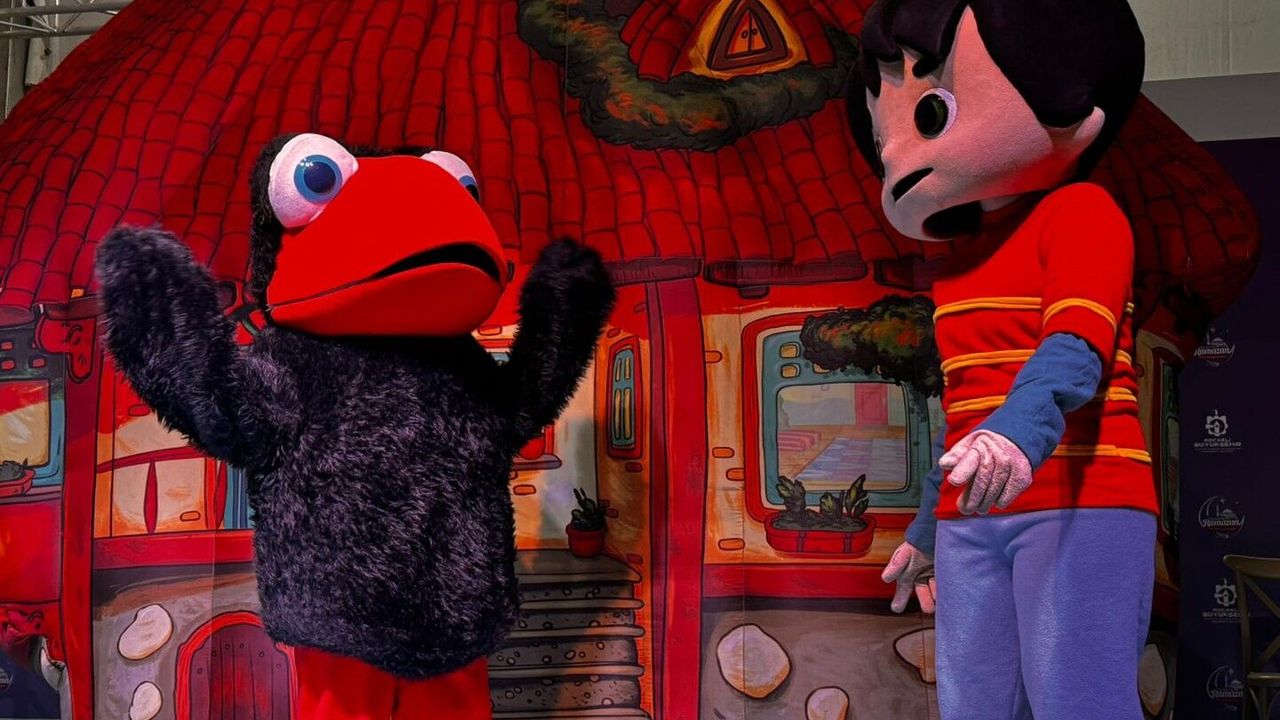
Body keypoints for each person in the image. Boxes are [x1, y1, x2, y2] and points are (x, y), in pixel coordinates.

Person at [848, 2, 1157, 718]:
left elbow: (1074, 349)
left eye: (929, 115)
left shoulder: (1081, 212)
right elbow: (967, 410)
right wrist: (932, 522)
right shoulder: (957, 265)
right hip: (975, 513)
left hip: (1080, 496)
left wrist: (1016, 434)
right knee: (974, 704)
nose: (896, 156)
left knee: (1079, 701)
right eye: (883, 136)